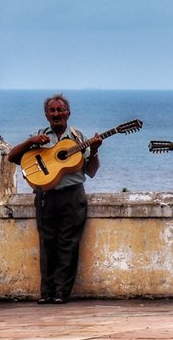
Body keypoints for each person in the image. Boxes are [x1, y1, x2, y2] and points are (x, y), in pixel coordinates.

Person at [7, 93, 102, 305]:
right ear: (46, 115)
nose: (56, 114)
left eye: (60, 110)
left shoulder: (78, 138)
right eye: (52, 110)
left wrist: (94, 151)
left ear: (68, 113)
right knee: (47, 244)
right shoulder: (39, 136)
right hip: (45, 197)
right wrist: (31, 141)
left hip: (73, 195)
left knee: (69, 244)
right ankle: (46, 292)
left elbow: (91, 172)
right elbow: (13, 157)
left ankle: (61, 293)